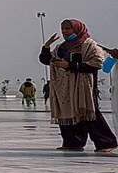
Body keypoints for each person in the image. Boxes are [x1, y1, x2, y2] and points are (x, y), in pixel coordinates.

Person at [40, 19, 116, 153]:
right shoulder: (62, 47)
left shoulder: (90, 46)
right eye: (63, 28)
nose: (64, 31)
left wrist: (70, 65)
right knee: (69, 113)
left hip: (84, 86)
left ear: (77, 29)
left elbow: (96, 64)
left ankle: (105, 142)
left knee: (89, 113)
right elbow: (47, 60)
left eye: (67, 28)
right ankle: (73, 142)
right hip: (66, 87)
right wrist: (46, 46)